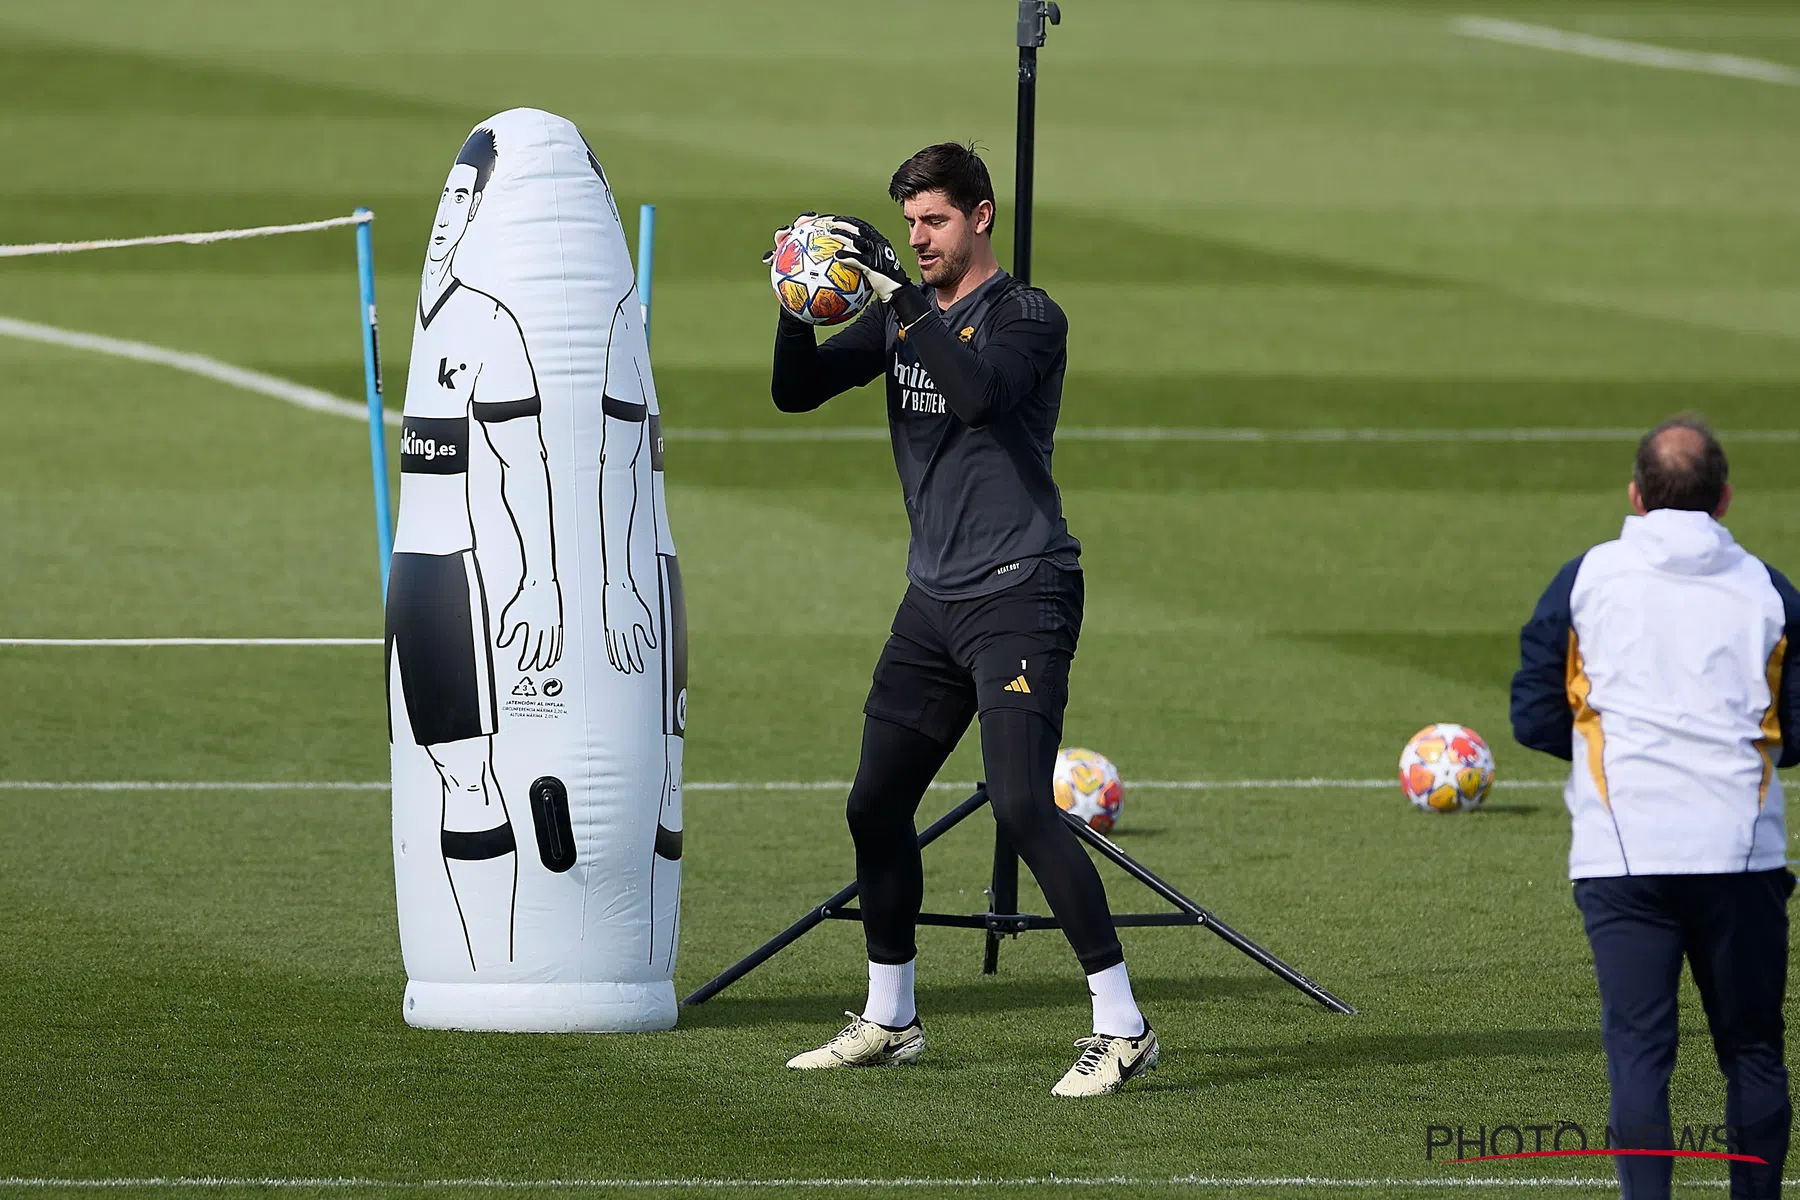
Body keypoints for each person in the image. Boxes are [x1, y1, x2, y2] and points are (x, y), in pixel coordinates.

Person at [765, 142, 1155, 1097]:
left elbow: (981, 397)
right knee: (874, 803)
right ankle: (891, 1017)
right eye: (908, 227)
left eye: (933, 222)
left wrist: (896, 296)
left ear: (981, 216)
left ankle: (1124, 1027)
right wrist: (791, 304)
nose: (918, 239)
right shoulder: (905, 318)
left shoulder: (1027, 317)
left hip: (1023, 591)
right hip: (933, 601)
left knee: (1022, 803)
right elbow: (796, 390)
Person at [1512, 416, 1799, 1199]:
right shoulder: (1767, 588)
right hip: (1741, 857)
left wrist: (1626, 758)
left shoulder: (1586, 578)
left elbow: (1534, 713)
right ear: (1726, 498)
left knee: (1639, 1054)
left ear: (1636, 496)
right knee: (1753, 1053)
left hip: (1623, 857)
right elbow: (1798, 726)